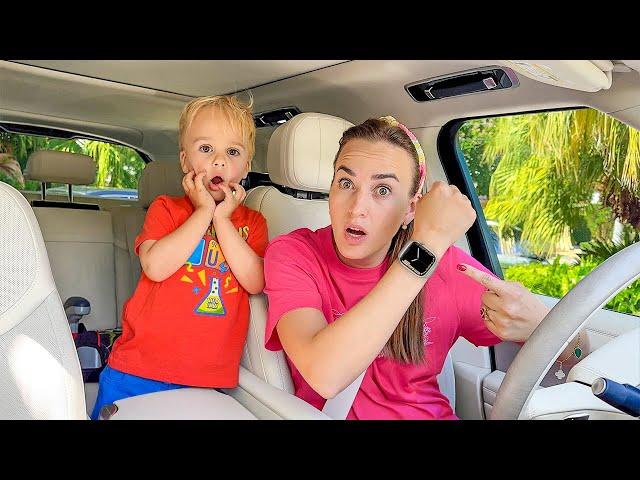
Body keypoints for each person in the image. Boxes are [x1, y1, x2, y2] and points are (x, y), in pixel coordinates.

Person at [263, 116, 583, 419]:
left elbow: (577, 352)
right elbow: (324, 374)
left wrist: (545, 327)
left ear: (410, 210)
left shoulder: (450, 269)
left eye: (383, 190)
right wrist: (426, 245)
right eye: (346, 183)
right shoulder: (294, 254)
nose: (357, 208)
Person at [91, 95, 268, 419]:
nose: (219, 161)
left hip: (208, 381)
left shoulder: (252, 223)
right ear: (186, 163)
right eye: (205, 149)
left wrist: (223, 220)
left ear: (246, 166)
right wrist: (203, 212)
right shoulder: (166, 209)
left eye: (232, 152)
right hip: (139, 369)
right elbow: (155, 266)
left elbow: (255, 281)